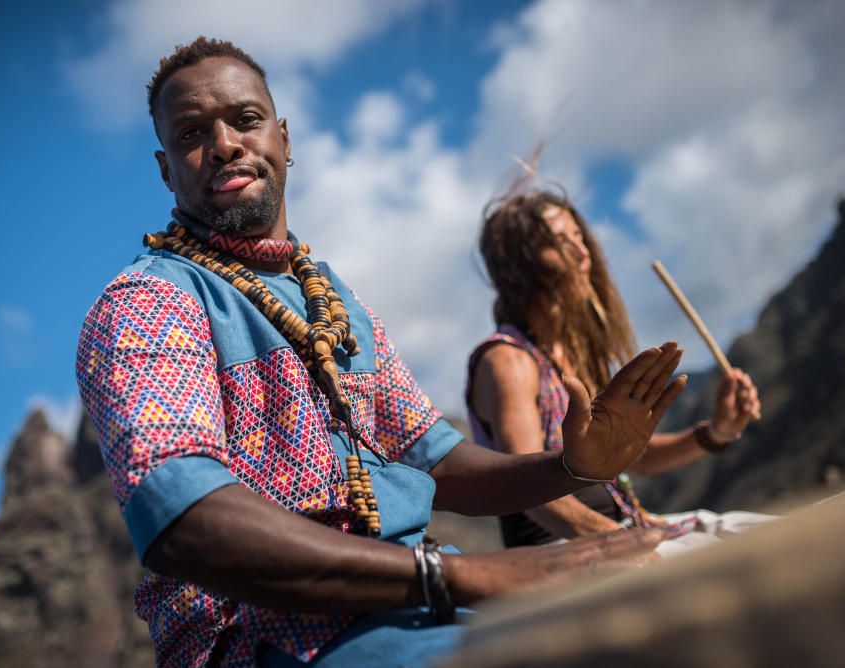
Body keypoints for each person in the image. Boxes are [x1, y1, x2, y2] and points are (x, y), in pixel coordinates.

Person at [76, 37, 686, 668]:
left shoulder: (337, 302)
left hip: (421, 603)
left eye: (246, 120)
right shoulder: (146, 302)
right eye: (192, 134)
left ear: (284, 139)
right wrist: (455, 577)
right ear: (165, 168)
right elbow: (186, 521)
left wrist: (572, 467)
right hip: (264, 638)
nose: (225, 144)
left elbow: (436, 462)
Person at [467, 188, 770, 557]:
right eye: (560, 242)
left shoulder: (571, 356)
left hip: (629, 529)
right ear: (519, 265)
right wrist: (633, 548)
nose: (583, 255)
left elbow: (629, 455)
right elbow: (528, 493)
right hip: (564, 552)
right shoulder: (509, 362)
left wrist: (716, 433)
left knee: (779, 532)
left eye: (579, 237)